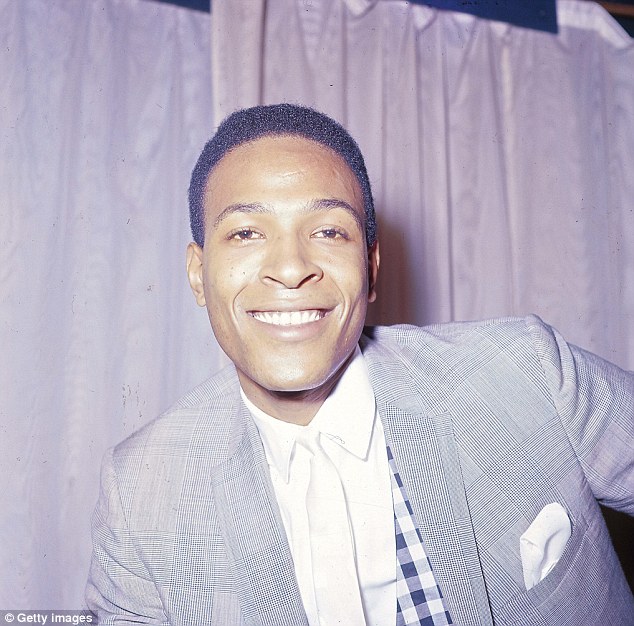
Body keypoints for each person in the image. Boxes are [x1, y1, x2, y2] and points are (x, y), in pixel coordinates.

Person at [86, 104, 634, 625]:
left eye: (328, 231)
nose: (291, 269)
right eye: (246, 233)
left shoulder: (523, 371)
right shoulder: (140, 494)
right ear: (197, 274)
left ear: (370, 267)